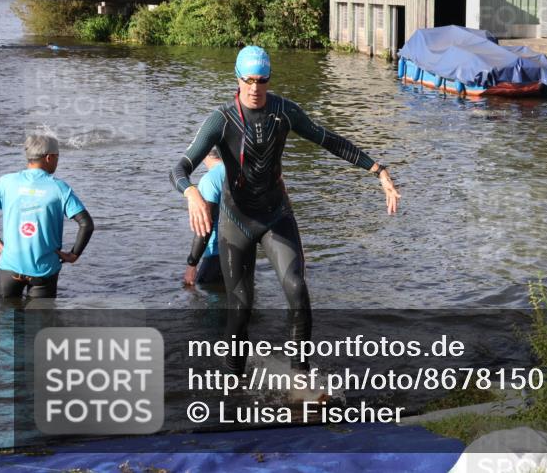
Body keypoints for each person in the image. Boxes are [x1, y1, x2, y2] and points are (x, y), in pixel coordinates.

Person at [170, 46, 400, 375]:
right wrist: (191, 191)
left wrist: (378, 171)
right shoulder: (221, 120)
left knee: (296, 290)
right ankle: (233, 385)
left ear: (269, 79)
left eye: (261, 80)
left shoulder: (283, 111)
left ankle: (300, 376)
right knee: (241, 309)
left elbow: (328, 139)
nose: (255, 88)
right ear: (237, 79)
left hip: (276, 216)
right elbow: (179, 167)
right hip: (236, 223)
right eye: (248, 80)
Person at [0, 134, 94, 299]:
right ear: (49, 157)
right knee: (40, 323)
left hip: (9, 269)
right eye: (57, 157)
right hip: (44, 272)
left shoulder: (5, 183)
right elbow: (86, 224)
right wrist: (73, 255)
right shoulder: (59, 188)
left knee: (7, 322)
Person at [183, 148, 225, 287]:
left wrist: (192, 263)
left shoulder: (210, 180)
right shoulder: (240, 172)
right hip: (245, 254)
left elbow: (205, 225)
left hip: (216, 256)